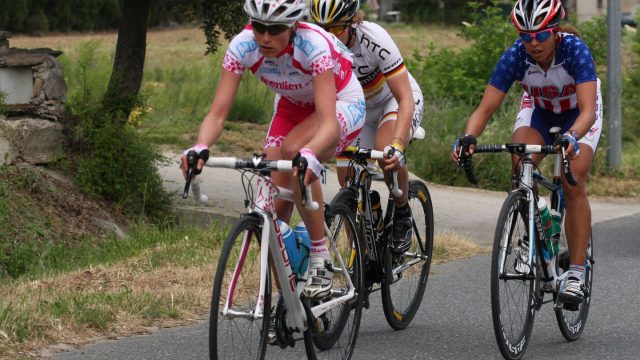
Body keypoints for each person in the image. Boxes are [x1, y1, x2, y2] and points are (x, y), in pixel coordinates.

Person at [181, 0, 366, 299]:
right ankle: (288, 304)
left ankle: (320, 256)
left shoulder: (313, 45)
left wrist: (309, 153)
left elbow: (328, 122)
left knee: (295, 150)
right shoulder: (242, 46)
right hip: (292, 107)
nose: (265, 37)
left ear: (293, 27)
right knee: (271, 217)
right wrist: (200, 146)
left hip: (341, 102)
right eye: (259, 27)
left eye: (276, 29)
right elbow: (217, 114)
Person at [451, 0, 601, 307]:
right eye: (525, 36)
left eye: (541, 36)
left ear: (555, 32)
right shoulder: (516, 57)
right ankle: (531, 237)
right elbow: (485, 108)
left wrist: (573, 136)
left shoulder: (575, 50)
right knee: (520, 163)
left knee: (573, 180)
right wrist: (468, 137)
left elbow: (588, 111)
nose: (533, 43)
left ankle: (575, 272)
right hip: (540, 112)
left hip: (578, 116)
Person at [310, 0, 424, 254]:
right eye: (323, 29)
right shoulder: (315, 48)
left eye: (337, 28)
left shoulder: (373, 38)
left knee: (386, 153)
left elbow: (405, 97)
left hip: (392, 101)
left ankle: (403, 213)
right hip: (357, 111)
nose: (330, 37)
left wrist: (398, 144)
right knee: (347, 182)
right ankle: (361, 261)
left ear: (352, 22)